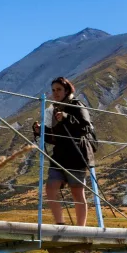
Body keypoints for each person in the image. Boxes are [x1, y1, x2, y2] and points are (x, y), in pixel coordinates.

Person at [32, 77, 96, 226]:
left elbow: (86, 127)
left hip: (76, 155)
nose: (55, 93)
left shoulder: (76, 105)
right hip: (59, 156)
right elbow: (54, 137)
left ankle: (81, 228)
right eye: (53, 90)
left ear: (67, 90)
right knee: (50, 188)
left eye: (59, 89)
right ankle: (60, 223)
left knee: (77, 192)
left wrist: (66, 118)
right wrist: (40, 131)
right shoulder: (53, 109)